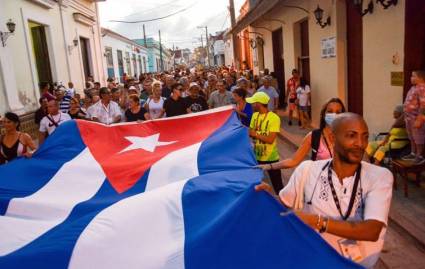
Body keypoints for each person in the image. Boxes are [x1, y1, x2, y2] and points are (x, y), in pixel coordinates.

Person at [256, 113, 394, 269]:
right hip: (317, 262)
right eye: (352, 136)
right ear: (333, 139)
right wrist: (269, 197)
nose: (360, 144)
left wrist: (316, 221)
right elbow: (283, 205)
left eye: (365, 137)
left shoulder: (379, 176)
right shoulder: (308, 170)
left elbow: (372, 231)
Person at [259, 98, 346, 172]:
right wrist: (269, 166)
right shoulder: (314, 136)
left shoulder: (347, 137)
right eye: (330, 111)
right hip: (319, 186)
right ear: (323, 114)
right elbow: (293, 161)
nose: (334, 115)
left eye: (338, 112)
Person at [247, 92, 282, 193]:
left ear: (259, 103)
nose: (252, 105)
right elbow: (250, 132)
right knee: (256, 185)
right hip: (256, 156)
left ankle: (282, 205)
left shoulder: (274, 118)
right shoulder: (254, 115)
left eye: (253, 103)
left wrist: (255, 134)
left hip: (271, 157)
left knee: (278, 186)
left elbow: (270, 140)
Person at [402, 70, 425, 164]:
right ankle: (413, 153)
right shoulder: (413, 88)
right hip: (409, 117)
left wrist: (420, 119)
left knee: (418, 137)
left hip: (416, 118)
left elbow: (424, 105)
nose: (411, 78)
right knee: (412, 137)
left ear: (420, 78)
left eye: (413, 76)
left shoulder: (422, 88)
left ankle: (419, 156)